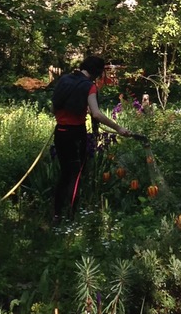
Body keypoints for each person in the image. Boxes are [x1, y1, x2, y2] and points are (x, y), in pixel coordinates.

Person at [52, 55, 142, 222]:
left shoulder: (64, 80)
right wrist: (118, 128)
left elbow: (56, 106)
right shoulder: (89, 86)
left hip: (60, 132)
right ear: (97, 72)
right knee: (76, 174)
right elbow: (97, 114)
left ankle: (57, 214)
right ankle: (72, 216)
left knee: (65, 173)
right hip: (75, 134)